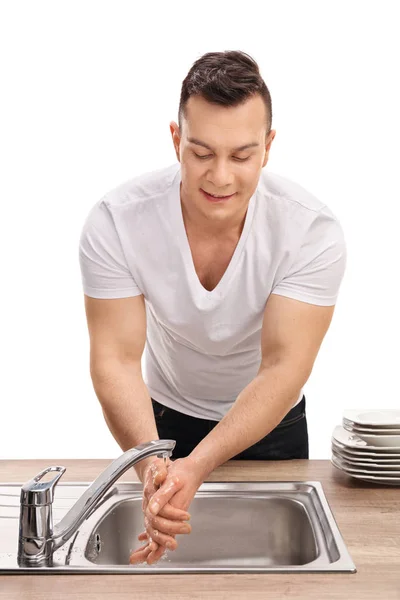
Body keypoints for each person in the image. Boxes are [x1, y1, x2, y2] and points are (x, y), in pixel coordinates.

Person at [79, 50, 347, 565]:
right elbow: (114, 360)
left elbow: (283, 369)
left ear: (268, 149)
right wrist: (153, 466)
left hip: (271, 427)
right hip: (160, 426)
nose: (220, 177)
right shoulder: (116, 222)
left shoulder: (311, 232)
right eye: (201, 153)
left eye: (241, 156)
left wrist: (198, 466)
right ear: (176, 140)